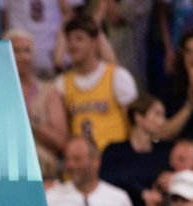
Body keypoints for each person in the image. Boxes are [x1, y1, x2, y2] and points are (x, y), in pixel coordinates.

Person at [56, 13, 137, 153]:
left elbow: (134, 124)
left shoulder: (117, 77)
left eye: (79, 39)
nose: (72, 45)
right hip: (80, 160)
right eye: (69, 39)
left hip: (116, 158)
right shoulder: (62, 84)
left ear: (95, 43)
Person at [7, 28, 67, 175]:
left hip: (44, 169)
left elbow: (60, 141)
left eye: (27, 51)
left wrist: (30, 122)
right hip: (8, 168)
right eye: (16, 51)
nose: (23, 57)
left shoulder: (48, 91)